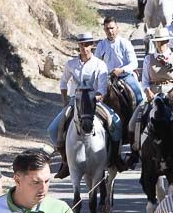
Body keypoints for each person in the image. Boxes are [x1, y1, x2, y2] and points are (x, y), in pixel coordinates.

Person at [47, 32, 122, 179]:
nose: (84, 48)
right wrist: (64, 100)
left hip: (93, 101)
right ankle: (66, 160)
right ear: (78, 46)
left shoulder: (100, 65)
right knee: (53, 129)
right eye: (82, 44)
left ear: (92, 46)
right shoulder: (71, 64)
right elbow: (63, 82)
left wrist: (97, 97)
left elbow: (102, 88)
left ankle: (114, 158)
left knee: (116, 124)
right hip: (75, 100)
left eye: (87, 44)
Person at [95, 15, 144, 107]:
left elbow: (134, 63)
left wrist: (121, 70)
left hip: (125, 77)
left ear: (117, 28)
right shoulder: (101, 45)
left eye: (112, 28)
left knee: (139, 97)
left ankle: (140, 118)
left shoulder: (125, 43)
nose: (110, 31)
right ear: (104, 30)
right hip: (107, 78)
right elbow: (96, 64)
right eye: (107, 29)